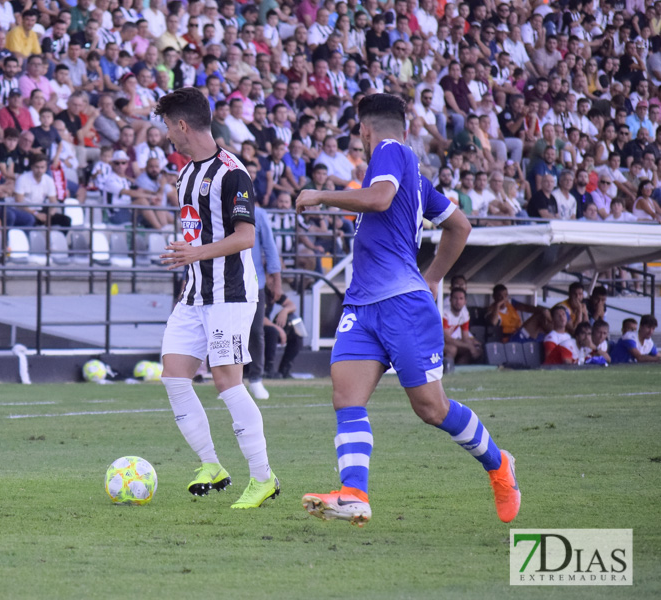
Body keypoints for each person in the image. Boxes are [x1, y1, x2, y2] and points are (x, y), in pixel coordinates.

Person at [294, 94, 519, 526]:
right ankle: (354, 494)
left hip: (399, 304)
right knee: (346, 397)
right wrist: (433, 276)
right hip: (363, 305)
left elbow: (378, 199)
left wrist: (321, 194)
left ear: (365, 130)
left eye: (359, 132)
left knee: (430, 408)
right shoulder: (411, 176)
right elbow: (459, 225)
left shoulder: (390, 153)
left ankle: (499, 467)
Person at [153, 86, 278, 510]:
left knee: (227, 382)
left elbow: (245, 237)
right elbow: (198, 235)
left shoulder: (232, 173)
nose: (168, 134)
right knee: (173, 376)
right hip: (195, 293)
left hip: (230, 294)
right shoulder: (185, 174)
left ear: (183, 125)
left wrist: (196, 252)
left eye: (169, 125)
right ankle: (213, 465)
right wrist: (186, 257)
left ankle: (263, 478)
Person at [245, 204, 281, 401]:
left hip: (254, 281)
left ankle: (256, 378)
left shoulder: (258, 214)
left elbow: (269, 247)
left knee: (256, 331)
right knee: (228, 331)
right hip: (226, 280)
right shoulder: (221, 207)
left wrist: (277, 280)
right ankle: (231, 382)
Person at [442, 287, 482, 365]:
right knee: (452, 349)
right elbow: (447, 338)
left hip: (446, 342)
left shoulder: (465, 313)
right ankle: (447, 371)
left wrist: (473, 346)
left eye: (461, 298)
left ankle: (460, 371)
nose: (458, 301)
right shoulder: (444, 313)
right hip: (435, 342)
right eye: (455, 298)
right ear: (450, 300)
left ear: (465, 301)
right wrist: (469, 346)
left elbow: (465, 337)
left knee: (472, 349)